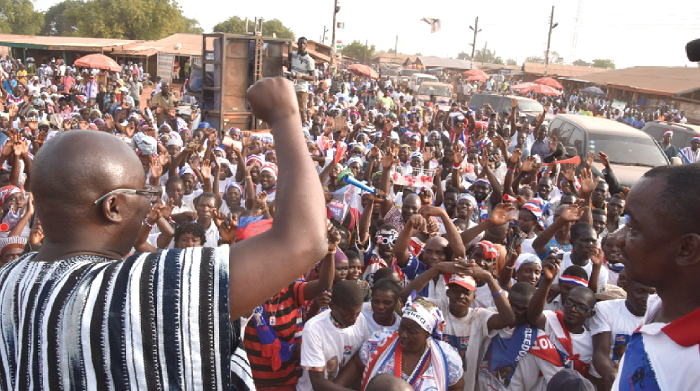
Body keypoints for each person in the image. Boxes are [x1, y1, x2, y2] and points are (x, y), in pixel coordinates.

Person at [0, 77, 328, 389]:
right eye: (142, 193)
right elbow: (305, 241)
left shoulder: (6, 284)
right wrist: (285, 115)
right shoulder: (144, 287)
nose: (148, 203)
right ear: (112, 208)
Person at [611, 164, 700, 390]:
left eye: (634, 228)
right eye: (625, 222)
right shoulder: (657, 305)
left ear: (686, 249)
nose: (618, 238)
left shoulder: (694, 364)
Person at [335, 297, 465, 391]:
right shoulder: (377, 344)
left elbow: (457, 387)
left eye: (412, 331)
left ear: (428, 334)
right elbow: (341, 383)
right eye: (402, 327)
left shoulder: (446, 359)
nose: (403, 334)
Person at [297, 280, 368, 391]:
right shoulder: (314, 328)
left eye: (357, 314)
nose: (353, 319)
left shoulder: (361, 320)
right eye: (347, 314)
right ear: (331, 306)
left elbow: (361, 357)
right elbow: (318, 383)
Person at [590, 278, 654, 390]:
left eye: (652, 293)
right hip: (603, 382)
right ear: (626, 287)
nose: (647, 298)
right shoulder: (606, 309)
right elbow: (600, 353)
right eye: (640, 291)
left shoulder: (660, 318)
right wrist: (611, 374)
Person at [290, 37, 316, 112]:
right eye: (300, 43)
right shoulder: (293, 55)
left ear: (306, 45)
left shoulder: (309, 60)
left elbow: (313, 77)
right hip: (291, 87)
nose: (302, 45)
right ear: (297, 44)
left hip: (301, 89)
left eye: (304, 43)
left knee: (300, 111)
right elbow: (287, 62)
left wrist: (300, 76)